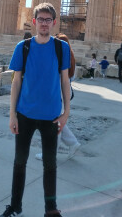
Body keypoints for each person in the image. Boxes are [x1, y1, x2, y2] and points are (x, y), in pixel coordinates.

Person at [0, 3, 71, 217]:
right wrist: (12, 114)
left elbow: (65, 81)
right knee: (19, 162)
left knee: (50, 165)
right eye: (41, 19)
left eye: (48, 20)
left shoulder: (61, 48)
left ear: (54, 23)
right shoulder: (23, 47)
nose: (44, 23)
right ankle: (15, 206)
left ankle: (51, 209)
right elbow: (16, 82)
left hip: (51, 117)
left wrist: (66, 112)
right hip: (25, 114)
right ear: (34, 22)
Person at [35, 33, 80, 161]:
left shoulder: (60, 56)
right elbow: (71, 78)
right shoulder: (71, 57)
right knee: (56, 120)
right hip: (64, 92)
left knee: (52, 123)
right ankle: (73, 143)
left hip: (55, 91)